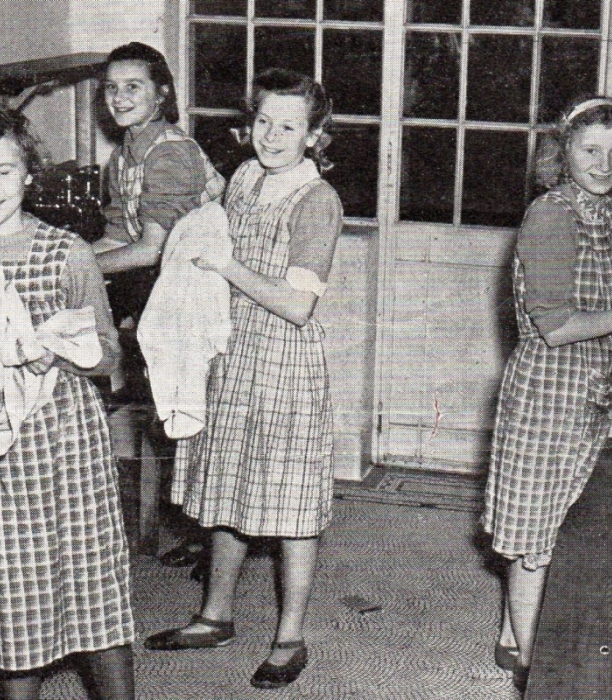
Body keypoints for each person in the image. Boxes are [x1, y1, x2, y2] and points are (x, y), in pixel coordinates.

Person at [0, 104, 134, 700]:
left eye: (3, 172)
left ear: (30, 174)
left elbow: (109, 357)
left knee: (92, 591)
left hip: (64, 444)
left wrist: (55, 352)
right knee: (8, 601)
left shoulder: (68, 253)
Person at [482, 95, 612, 691]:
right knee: (534, 535)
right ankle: (530, 664)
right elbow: (557, 325)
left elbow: (602, 300)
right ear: (562, 151)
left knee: (552, 520)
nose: (604, 164)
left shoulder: (600, 210)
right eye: (589, 149)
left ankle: (509, 634)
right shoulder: (552, 216)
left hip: (589, 390)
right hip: (549, 395)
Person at [143, 68, 343, 691]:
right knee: (226, 486)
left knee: (290, 508)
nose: (273, 135)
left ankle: (290, 636)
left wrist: (226, 266)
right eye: (263, 122)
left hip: (285, 364)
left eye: (289, 126)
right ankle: (215, 614)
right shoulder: (246, 177)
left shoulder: (317, 201)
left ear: (315, 137)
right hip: (232, 354)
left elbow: (298, 305)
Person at [94, 41, 225, 574]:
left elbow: (149, 248)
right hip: (164, 289)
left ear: (162, 93)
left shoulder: (168, 153)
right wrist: (60, 256)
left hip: (204, 291)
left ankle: (218, 537)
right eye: (111, 88)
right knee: (176, 415)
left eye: (134, 87)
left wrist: (75, 266)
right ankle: (203, 529)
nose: (120, 98)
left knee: (198, 415)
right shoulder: (125, 152)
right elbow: (113, 236)